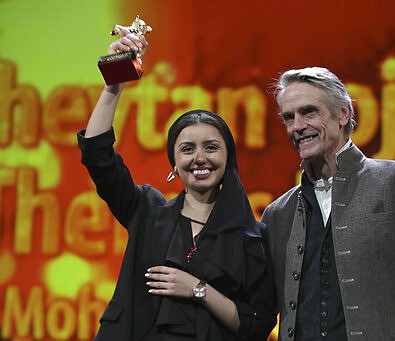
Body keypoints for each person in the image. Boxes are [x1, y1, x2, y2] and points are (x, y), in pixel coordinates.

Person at [77, 28, 276, 340]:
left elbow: (257, 325)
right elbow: (97, 155)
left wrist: (199, 290)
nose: (200, 158)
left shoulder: (254, 237)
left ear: (228, 160)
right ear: (174, 165)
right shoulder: (147, 211)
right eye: (187, 149)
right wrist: (114, 83)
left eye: (211, 147)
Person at [261, 67, 395, 340]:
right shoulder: (277, 214)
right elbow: (262, 310)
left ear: (342, 114)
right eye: (289, 117)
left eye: (309, 112)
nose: (296, 126)